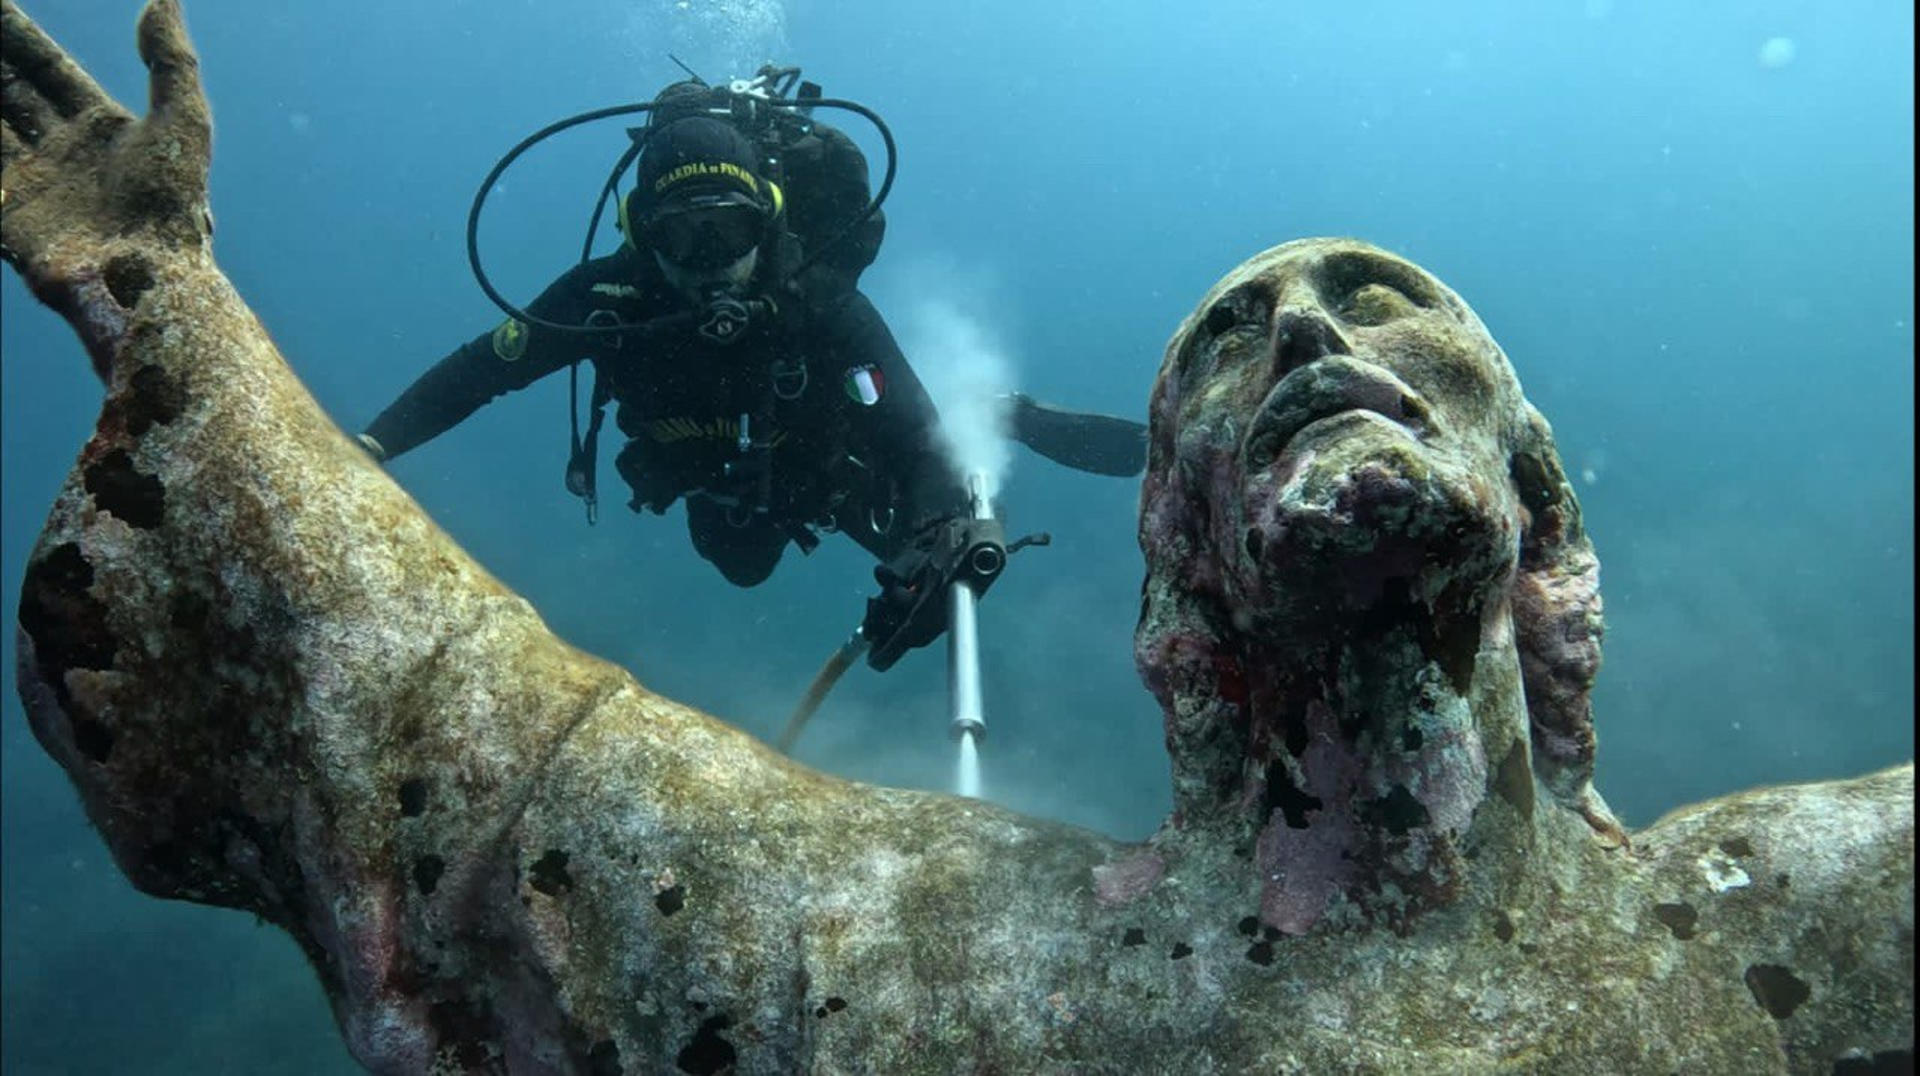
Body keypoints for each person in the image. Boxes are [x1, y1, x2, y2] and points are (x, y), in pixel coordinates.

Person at [358, 83, 1145, 668]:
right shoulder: (606, 299)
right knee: (740, 566)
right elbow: (475, 373)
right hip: (717, 478)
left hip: (832, 462)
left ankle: (988, 412)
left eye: (728, 230)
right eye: (685, 236)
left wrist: (935, 543)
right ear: (643, 236)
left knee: (914, 501)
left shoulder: (820, 306)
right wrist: (372, 443)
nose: (711, 264)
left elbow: (915, 446)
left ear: (766, 220)